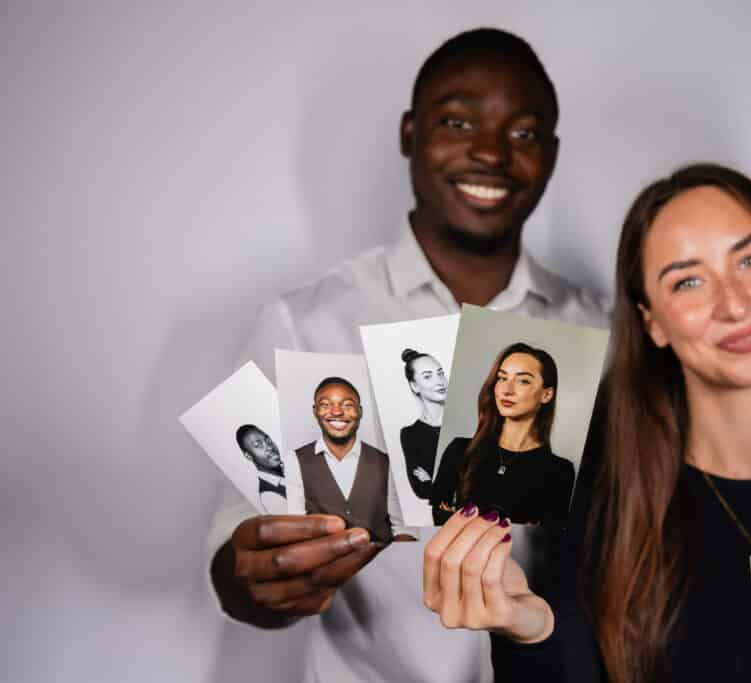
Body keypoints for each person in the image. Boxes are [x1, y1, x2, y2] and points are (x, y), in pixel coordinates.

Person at [422, 163, 751, 682]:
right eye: (688, 281)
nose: (735, 304)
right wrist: (529, 633)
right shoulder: (599, 506)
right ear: (652, 323)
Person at [204, 27, 607, 683]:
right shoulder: (303, 325)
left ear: (552, 156)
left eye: (524, 133)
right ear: (408, 132)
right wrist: (258, 578)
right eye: (457, 120)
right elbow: (236, 560)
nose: (490, 152)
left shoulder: (605, 331)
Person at [431, 342, 574, 527]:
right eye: (502, 378)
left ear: (546, 395)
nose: (507, 390)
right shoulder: (460, 450)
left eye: (523, 381)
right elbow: (436, 521)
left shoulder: (559, 472)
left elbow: (545, 545)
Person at [294, 377, 393, 543]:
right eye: (326, 405)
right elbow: (295, 528)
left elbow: (403, 530)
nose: (337, 412)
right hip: (321, 565)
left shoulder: (386, 462)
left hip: (382, 562)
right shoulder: (295, 460)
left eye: (348, 405)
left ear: (360, 411)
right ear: (315, 411)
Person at [399, 348, 447, 500]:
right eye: (427, 377)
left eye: (440, 373)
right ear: (414, 386)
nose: (439, 381)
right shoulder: (410, 434)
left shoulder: (466, 421)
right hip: (442, 519)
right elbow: (421, 491)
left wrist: (431, 480)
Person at [235, 424, 288, 514]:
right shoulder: (270, 496)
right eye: (258, 445)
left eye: (268, 440)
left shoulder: (289, 468)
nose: (269, 447)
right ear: (248, 456)